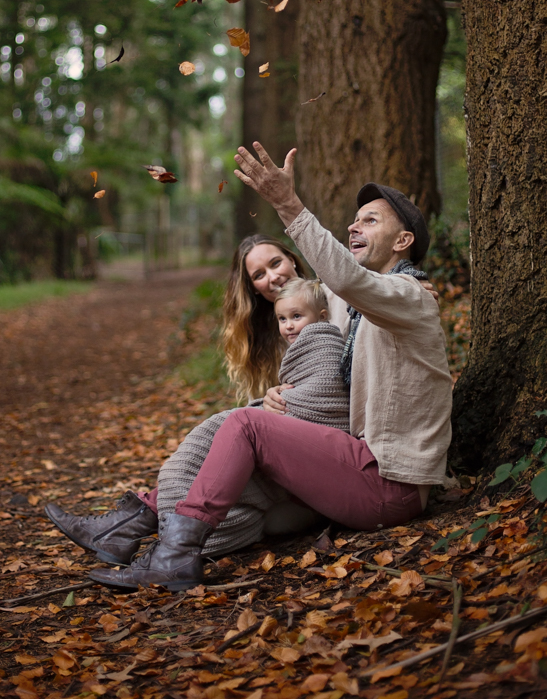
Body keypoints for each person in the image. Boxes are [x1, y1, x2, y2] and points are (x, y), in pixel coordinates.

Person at [85, 143, 452, 592]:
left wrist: (286, 203)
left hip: (388, 483)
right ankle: (139, 528)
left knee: (247, 425)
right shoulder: (360, 306)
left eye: (370, 220)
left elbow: (342, 277)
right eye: (354, 220)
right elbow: (324, 288)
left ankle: (175, 557)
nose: (354, 226)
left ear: (403, 241)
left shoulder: (407, 295)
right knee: (248, 433)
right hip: (359, 468)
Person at [45, 233, 343, 563]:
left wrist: (272, 408)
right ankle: (128, 531)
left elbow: (326, 395)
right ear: (253, 288)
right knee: (226, 449)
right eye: (259, 275)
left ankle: (130, 527)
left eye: (275, 263)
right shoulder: (271, 333)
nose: (272, 277)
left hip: (320, 460)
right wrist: (268, 400)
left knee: (230, 439)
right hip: (283, 458)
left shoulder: (332, 300)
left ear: (293, 259)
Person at [272, 278, 349, 427]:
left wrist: (284, 396)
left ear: (322, 316)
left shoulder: (328, 347)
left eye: (296, 316)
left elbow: (324, 389)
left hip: (326, 426)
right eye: (282, 319)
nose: (288, 325)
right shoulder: (298, 350)